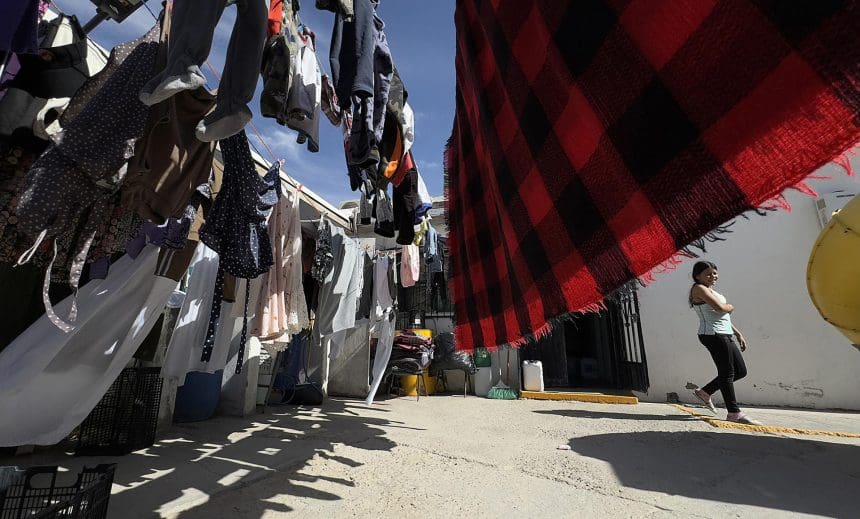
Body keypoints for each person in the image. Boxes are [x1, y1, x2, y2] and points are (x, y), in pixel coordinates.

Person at [689, 261, 762, 425]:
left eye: (714, 273)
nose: (712, 276)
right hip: (713, 334)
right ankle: (734, 413)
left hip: (725, 333)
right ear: (697, 276)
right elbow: (722, 309)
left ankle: (705, 392)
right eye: (708, 274)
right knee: (727, 373)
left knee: (740, 371)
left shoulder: (711, 290)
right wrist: (731, 306)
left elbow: (722, 315)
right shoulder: (698, 289)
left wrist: (737, 333)